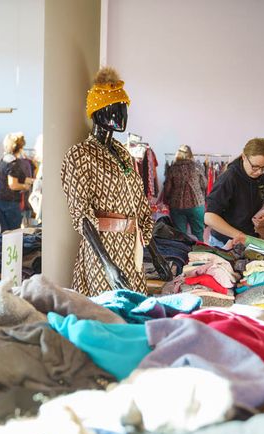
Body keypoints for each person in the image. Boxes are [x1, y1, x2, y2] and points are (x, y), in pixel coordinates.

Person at [60, 67, 171, 296]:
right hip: (103, 247)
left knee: (132, 312)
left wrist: (156, 256)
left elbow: (140, 209)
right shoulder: (80, 154)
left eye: (125, 109)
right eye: (115, 109)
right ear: (98, 111)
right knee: (107, 312)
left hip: (133, 249)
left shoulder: (123, 153)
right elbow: (81, 215)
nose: (123, 116)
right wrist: (107, 265)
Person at [204, 137, 264, 247]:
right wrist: (240, 235)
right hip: (224, 242)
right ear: (244, 157)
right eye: (255, 167)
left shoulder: (262, 179)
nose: (259, 172)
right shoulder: (229, 178)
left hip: (250, 240)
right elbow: (209, 217)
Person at [163, 144, 207, 240]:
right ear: (191, 155)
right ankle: (199, 252)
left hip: (176, 205)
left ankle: (182, 253)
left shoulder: (172, 168)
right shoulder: (198, 167)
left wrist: (166, 200)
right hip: (197, 204)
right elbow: (204, 185)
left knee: (180, 235)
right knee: (198, 233)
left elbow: (167, 189)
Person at [0, 132, 33, 232]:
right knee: (14, 233)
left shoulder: (4, 159)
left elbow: (4, 177)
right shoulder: (14, 162)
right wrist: (25, 187)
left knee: (4, 232)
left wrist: (31, 181)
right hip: (10, 202)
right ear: (20, 147)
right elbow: (13, 185)